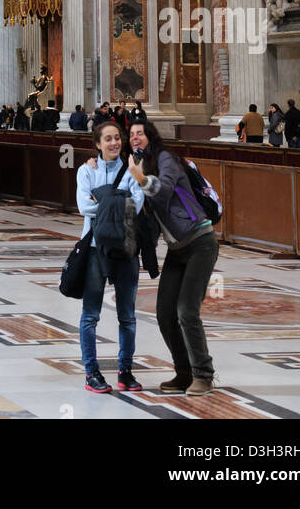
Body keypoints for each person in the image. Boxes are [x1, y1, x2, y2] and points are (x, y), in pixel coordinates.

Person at [127, 119, 218, 394]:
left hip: (200, 242)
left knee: (186, 311)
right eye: (131, 134)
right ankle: (184, 372)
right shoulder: (137, 166)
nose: (135, 137)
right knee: (165, 313)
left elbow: (164, 190)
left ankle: (203, 374)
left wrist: (141, 178)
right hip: (177, 249)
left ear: (150, 137)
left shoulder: (166, 159)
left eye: (140, 133)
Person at [75, 118, 145, 394]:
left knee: (127, 315)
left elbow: (137, 204)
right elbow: (83, 207)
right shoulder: (86, 171)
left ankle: (125, 371)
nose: (114, 143)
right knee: (90, 314)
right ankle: (91, 372)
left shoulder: (132, 169)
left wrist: (103, 201)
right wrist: (118, 202)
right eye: (108, 139)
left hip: (126, 246)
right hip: (95, 248)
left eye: (117, 138)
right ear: (97, 144)